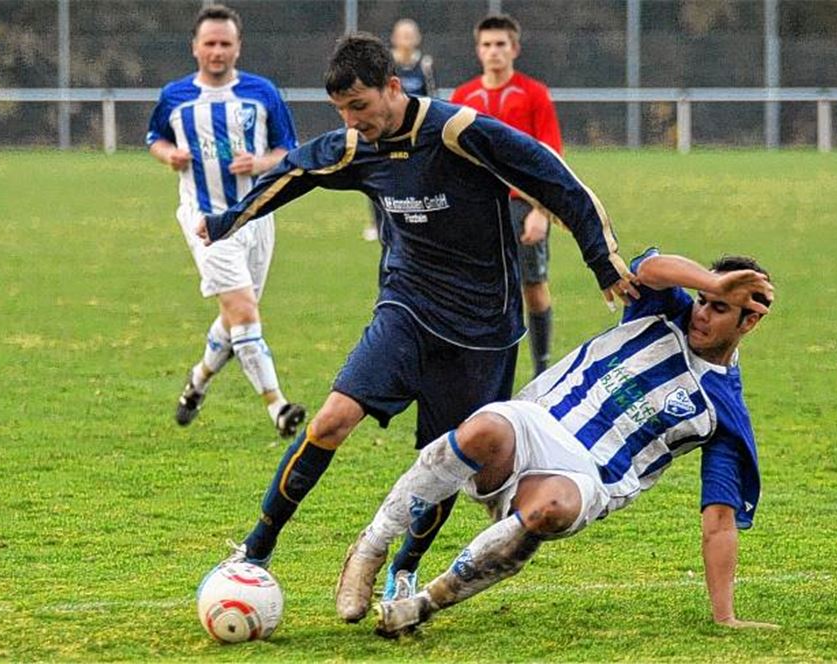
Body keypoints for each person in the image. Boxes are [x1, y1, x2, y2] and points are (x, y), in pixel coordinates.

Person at [198, 33, 638, 621]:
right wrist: (228, 221)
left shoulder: (459, 132)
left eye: (360, 107)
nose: (353, 122)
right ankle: (256, 550)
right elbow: (295, 171)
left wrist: (602, 258)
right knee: (331, 419)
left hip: (484, 329)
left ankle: (402, 571)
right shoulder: (358, 147)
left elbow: (552, 176)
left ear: (392, 88)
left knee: (446, 460)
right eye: (341, 112)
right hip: (406, 310)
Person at [335, 249, 778, 636]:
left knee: (552, 508)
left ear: (751, 321)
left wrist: (725, 616)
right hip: (537, 419)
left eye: (720, 308)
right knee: (481, 429)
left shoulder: (723, 412)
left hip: (585, 478)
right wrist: (713, 282)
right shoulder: (663, 308)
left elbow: (719, 520)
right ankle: (371, 547)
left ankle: (420, 605)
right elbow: (649, 267)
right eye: (703, 299)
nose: (702, 313)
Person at [146, 5, 306, 438]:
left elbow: (286, 152)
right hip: (207, 223)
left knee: (237, 317)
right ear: (195, 47)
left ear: (238, 47)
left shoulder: (262, 93)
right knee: (244, 311)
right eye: (210, 43)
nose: (217, 51)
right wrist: (169, 155)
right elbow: (154, 138)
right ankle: (278, 406)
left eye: (225, 44)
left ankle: (197, 382)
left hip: (256, 219)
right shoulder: (175, 96)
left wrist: (260, 162)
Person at [451, 14, 564, 378]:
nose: (493, 52)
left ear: (514, 49)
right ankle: (484, 368)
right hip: (477, 208)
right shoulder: (463, 97)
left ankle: (541, 368)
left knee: (533, 286)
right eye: (486, 45)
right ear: (477, 50)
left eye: (500, 44)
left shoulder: (534, 94)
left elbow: (551, 158)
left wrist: (540, 211)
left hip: (521, 202)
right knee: (481, 290)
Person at [363, 18, 437, 242]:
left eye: (410, 35)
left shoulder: (423, 66)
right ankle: (378, 224)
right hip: (387, 132)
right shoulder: (386, 66)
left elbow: (432, 98)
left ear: (417, 39)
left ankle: (417, 219)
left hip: (415, 134)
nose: (406, 40)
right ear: (394, 38)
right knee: (381, 176)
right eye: (402, 35)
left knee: (416, 176)